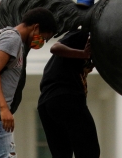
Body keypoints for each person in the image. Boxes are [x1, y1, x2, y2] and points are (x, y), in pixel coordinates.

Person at [0, 4, 57, 158]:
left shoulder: (3, 34)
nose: (41, 42)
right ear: (35, 27)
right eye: (43, 38)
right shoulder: (13, 39)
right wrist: (4, 108)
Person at [37, 30, 98, 158]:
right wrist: (83, 54)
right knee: (89, 150)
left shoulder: (65, 64)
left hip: (46, 103)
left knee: (61, 153)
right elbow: (55, 48)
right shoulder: (83, 34)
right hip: (65, 97)